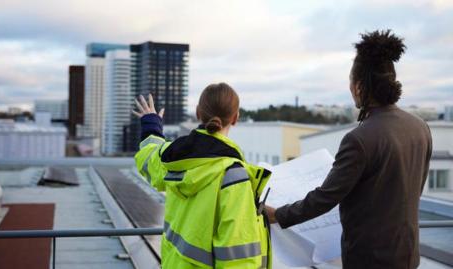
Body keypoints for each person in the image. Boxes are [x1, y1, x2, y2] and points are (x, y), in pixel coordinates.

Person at [266, 30, 432, 269]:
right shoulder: (420, 127)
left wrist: (278, 215)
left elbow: (325, 198)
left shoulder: (359, 139)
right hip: (408, 255)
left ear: (359, 87)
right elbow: (413, 190)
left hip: (369, 260)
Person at [133, 83, 272, 268]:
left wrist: (151, 124)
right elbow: (238, 258)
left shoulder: (172, 157)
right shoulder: (233, 175)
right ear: (236, 118)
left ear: (198, 112)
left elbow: (149, 158)